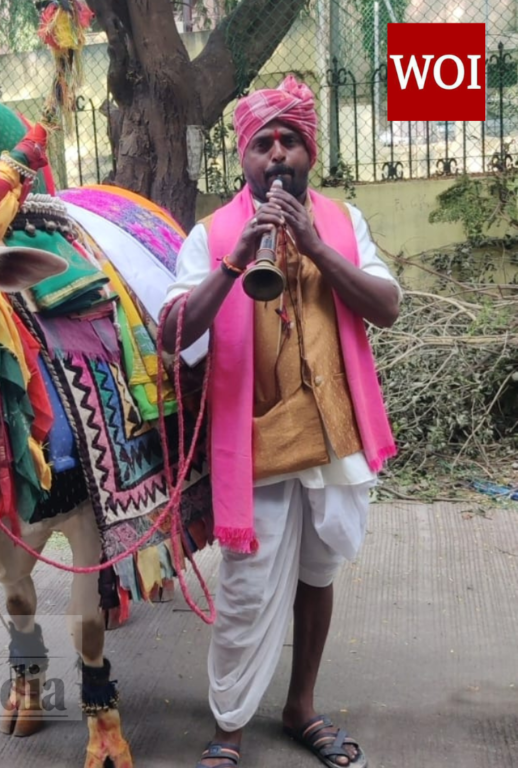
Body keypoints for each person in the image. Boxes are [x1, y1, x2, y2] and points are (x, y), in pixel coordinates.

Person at [160, 74, 401, 768]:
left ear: (309, 153)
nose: (276, 154)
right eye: (262, 142)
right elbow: (174, 331)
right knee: (246, 590)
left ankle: (301, 706)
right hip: (259, 443)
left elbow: (385, 305)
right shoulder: (214, 235)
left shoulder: (343, 221)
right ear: (244, 158)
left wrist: (316, 246)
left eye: (289, 140)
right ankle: (229, 729)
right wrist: (237, 260)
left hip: (333, 434)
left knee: (318, 575)